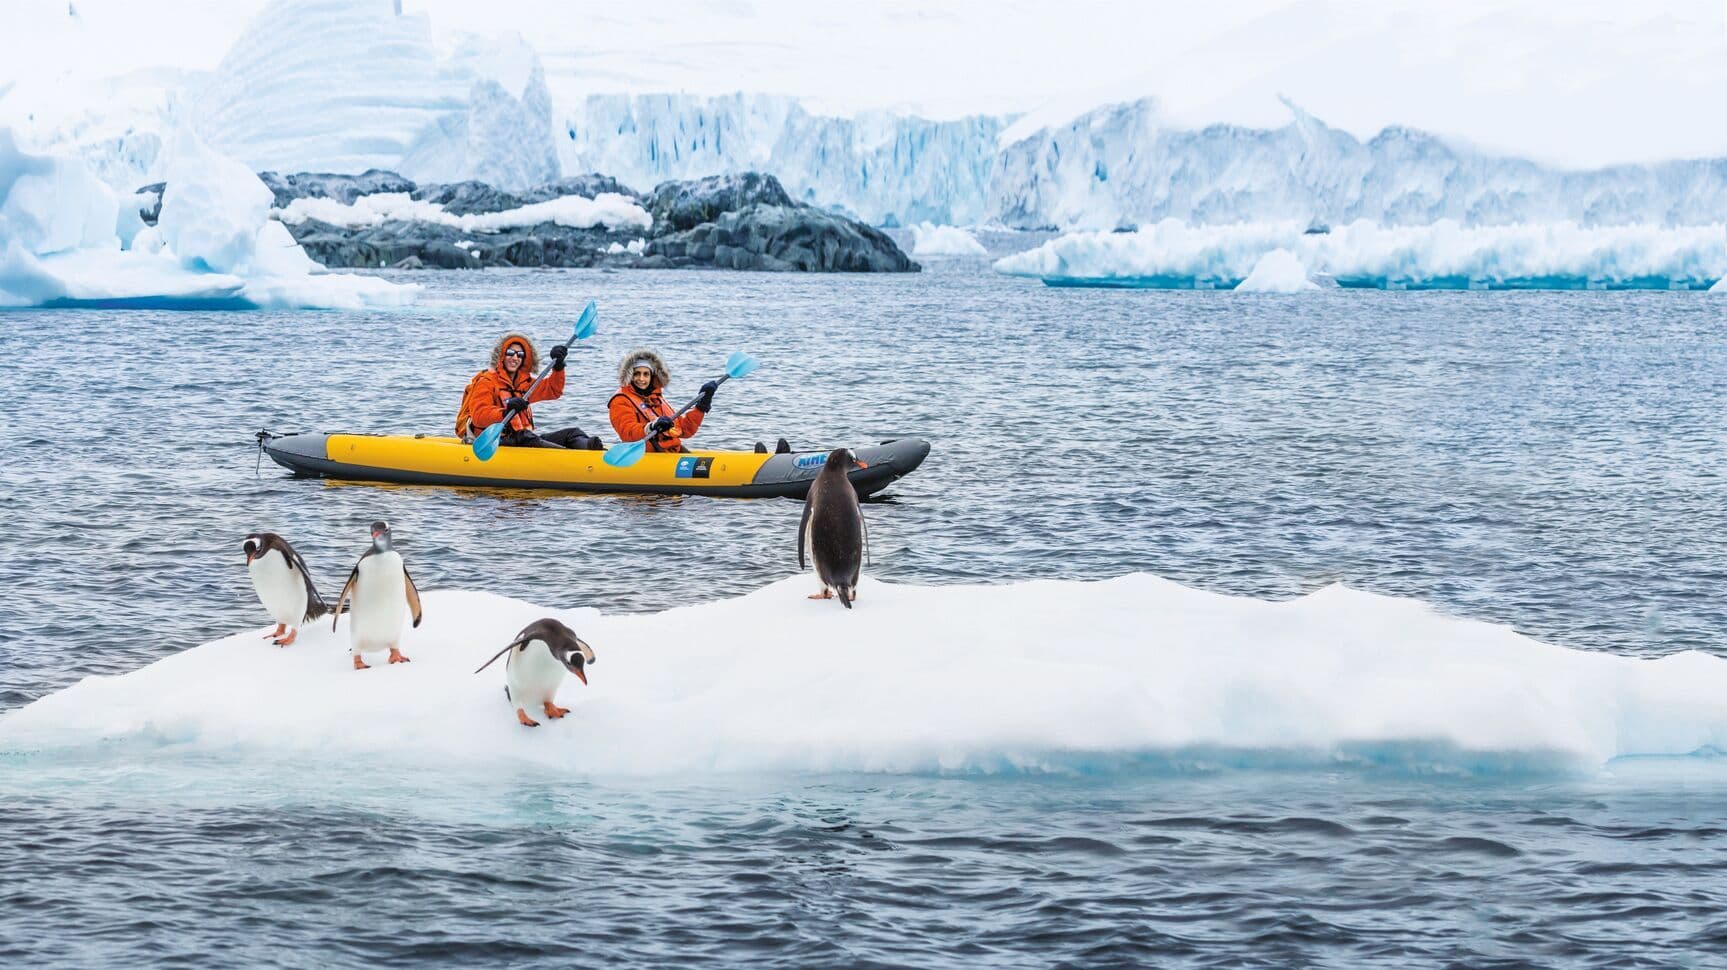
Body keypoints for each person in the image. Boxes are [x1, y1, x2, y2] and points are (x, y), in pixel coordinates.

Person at [456, 332, 604, 450]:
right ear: (501, 356)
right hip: (491, 441)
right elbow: (479, 416)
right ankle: (569, 458)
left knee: (572, 433)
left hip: (521, 438)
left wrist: (558, 367)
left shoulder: (524, 383)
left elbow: (553, 390)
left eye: (520, 355)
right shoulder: (486, 382)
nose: (515, 358)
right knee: (526, 436)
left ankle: (591, 449)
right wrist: (505, 411)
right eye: (510, 353)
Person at [608, 349, 715, 454]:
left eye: (646, 374)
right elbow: (627, 432)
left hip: (670, 452)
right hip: (646, 456)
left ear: (652, 377)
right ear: (630, 376)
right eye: (637, 374)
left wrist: (701, 406)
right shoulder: (620, 400)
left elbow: (685, 430)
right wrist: (651, 427)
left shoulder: (656, 399)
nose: (641, 379)